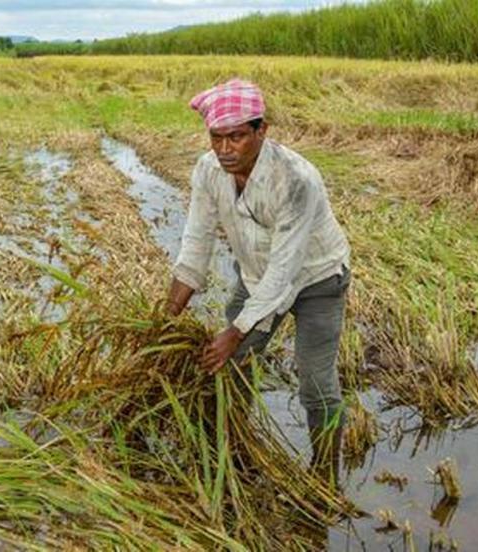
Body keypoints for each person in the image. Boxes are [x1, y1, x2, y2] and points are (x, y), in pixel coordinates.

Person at [164, 78, 351, 486]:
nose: (226, 149)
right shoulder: (208, 170)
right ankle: (234, 455)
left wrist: (236, 331)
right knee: (229, 370)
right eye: (217, 137)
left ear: (261, 131)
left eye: (237, 137)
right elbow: (196, 242)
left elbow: (285, 272)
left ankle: (324, 476)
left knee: (316, 383)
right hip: (256, 276)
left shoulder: (296, 180)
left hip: (317, 279)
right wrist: (167, 316)